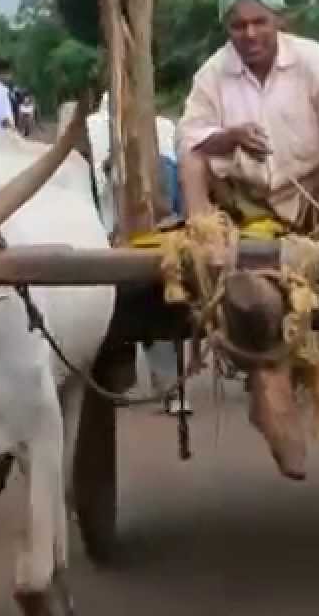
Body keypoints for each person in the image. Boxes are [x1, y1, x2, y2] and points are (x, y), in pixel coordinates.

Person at [175, 0, 319, 479]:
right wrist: (227, 137)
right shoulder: (214, 74)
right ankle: (267, 387)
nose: (250, 34)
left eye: (259, 22)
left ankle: (275, 370)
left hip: (314, 203)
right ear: (227, 28)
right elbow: (189, 138)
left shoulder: (310, 58)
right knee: (196, 160)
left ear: (279, 20)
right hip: (243, 209)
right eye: (238, 25)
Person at [85, 93, 190, 415]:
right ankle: (152, 385)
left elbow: (173, 199)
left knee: (160, 303)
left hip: (154, 239)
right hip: (111, 240)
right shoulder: (99, 135)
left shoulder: (163, 144)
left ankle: (169, 389)